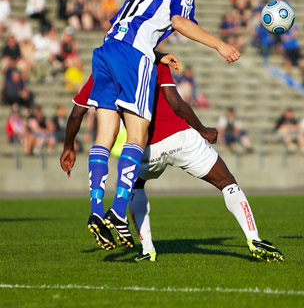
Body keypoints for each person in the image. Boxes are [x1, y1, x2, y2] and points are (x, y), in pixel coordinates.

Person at [84, 0, 240, 250]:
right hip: (132, 58)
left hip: (105, 51)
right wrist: (220, 45)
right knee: (138, 134)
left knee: (104, 136)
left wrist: (157, 54)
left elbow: (121, 27)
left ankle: (94, 208)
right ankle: (117, 211)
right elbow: (180, 22)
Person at [60, 63, 282, 262]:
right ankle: (254, 239)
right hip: (180, 138)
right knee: (227, 182)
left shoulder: (104, 69)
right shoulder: (155, 61)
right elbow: (176, 104)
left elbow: (76, 114)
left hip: (145, 147)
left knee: (135, 186)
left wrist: (69, 146)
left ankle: (147, 249)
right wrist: (203, 129)